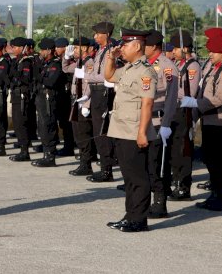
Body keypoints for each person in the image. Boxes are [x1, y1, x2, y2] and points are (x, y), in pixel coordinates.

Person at [104, 29, 157, 233]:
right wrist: (111, 58)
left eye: (125, 45)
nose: (122, 48)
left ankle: (139, 219)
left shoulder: (145, 71)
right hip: (121, 129)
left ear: (137, 46)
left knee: (138, 178)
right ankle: (130, 215)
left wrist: (142, 132)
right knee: (128, 178)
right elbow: (109, 76)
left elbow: (147, 104)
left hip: (134, 130)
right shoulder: (128, 68)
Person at [181, 34, 222, 211]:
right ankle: (214, 194)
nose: (211, 54)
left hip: (220, 121)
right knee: (211, 161)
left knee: (221, 162)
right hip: (208, 120)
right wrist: (194, 117)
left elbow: (218, 98)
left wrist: (195, 103)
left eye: (215, 51)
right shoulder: (214, 69)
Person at [141, 30, 179, 218]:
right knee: (146, 165)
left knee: (157, 165)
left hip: (158, 122)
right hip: (144, 122)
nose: (141, 48)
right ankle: (147, 201)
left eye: (145, 45)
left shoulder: (167, 66)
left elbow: (171, 98)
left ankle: (160, 203)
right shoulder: (143, 64)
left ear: (154, 46)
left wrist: (166, 123)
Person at [169, 30, 200, 201]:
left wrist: (171, 93)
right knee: (175, 150)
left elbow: (191, 92)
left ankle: (184, 186)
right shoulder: (180, 64)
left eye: (176, 48)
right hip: (176, 111)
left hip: (184, 111)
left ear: (185, 49)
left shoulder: (192, 66)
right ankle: (176, 181)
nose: (173, 52)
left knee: (184, 150)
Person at [84, 21, 117, 182]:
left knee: (103, 132)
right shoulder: (100, 51)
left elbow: (106, 75)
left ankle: (107, 170)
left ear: (107, 34)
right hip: (96, 93)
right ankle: (104, 166)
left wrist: (87, 77)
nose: (95, 36)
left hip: (105, 94)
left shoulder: (111, 51)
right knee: (98, 132)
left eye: (98, 33)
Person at [63, 36, 97, 176]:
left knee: (83, 135)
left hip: (83, 102)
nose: (74, 50)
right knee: (78, 134)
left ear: (83, 48)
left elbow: (90, 84)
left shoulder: (89, 63)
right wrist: (66, 57)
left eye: (76, 48)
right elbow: (65, 69)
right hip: (76, 101)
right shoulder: (78, 63)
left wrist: (86, 104)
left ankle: (86, 164)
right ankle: (83, 163)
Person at [32, 38, 63, 167]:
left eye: (43, 49)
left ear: (49, 50)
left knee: (48, 127)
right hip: (42, 99)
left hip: (49, 100)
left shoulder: (55, 64)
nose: (41, 52)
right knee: (42, 127)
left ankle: (50, 156)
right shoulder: (46, 64)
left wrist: (38, 74)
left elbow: (51, 82)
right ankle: (46, 154)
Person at [8, 37, 35, 162]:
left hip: (22, 96)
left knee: (21, 123)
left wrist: (15, 75)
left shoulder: (26, 61)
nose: (13, 49)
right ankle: (22, 148)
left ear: (21, 48)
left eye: (15, 47)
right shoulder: (17, 60)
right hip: (16, 95)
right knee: (17, 123)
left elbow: (25, 79)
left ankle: (25, 151)